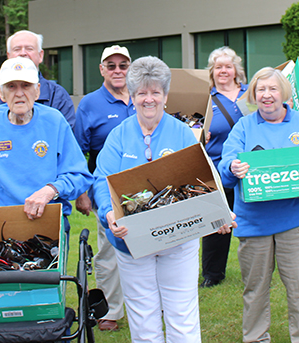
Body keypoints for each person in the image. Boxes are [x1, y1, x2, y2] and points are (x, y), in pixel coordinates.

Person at [92, 56, 235, 342]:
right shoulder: (118, 137)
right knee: (143, 317)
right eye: (142, 93)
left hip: (178, 240)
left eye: (155, 92)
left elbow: (204, 178)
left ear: (165, 96)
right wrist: (109, 214)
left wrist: (219, 213)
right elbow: (100, 181)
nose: (149, 99)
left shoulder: (183, 133)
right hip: (132, 242)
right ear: (132, 97)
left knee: (182, 314)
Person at [219, 67, 299, 343]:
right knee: (254, 289)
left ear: (283, 93)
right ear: (253, 94)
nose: (267, 95)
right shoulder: (243, 127)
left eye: (272, 89)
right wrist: (232, 166)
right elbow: (225, 170)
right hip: (255, 223)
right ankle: (255, 338)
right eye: (261, 90)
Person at [0, 57, 93, 244]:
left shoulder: (54, 121)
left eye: (26, 86)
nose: (19, 93)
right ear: (1, 93)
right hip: (2, 225)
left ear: (37, 90)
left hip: (50, 224)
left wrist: (50, 190)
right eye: (11, 86)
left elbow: (79, 175)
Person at [73, 45, 134, 331]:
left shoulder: (142, 96)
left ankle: (145, 304)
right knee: (110, 251)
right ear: (102, 70)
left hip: (145, 187)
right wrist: (82, 193)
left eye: (123, 65)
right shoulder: (89, 104)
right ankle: (110, 310)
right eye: (111, 66)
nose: (118, 71)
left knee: (148, 247)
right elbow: (79, 152)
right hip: (107, 190)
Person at [201, 46, 248, 289]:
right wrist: (200, 136)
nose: (223, 71)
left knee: (253, 218)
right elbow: (193, 132)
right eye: (218, 67)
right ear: (212, 71)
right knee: (216, 221)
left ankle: (257, 266)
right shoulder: (205, 99)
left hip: (251, 168)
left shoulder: (251, 93)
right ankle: (212, 273)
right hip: (218, 169)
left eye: (228, 66)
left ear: (235, 70)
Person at [0, 30, 76, 128]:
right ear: (8, 56)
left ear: (40, 55)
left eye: (29, 49)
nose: (23, 53)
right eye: (17, 49)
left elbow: (65, 136)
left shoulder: (57, 95)